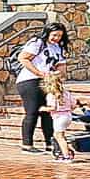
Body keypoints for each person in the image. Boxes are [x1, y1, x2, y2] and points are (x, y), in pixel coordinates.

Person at [16, 22, 69, 153]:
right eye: (54, 35)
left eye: (60, 36)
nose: (56, 38)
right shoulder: (37, 43)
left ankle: (50, 143)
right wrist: (39, 73)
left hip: (48, 82)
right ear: (48, 33)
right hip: (30, 80)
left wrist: (58, 75)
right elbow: (23, 58)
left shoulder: (58, 47)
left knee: (48, 112)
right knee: (32, 111)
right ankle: (27, 144)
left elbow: (61, 66)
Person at [44, 69, 79, 161]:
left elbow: (53, 107)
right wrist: (68, 109)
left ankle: (66, 156)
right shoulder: (66, 93)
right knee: (57, 135)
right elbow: (74, 105)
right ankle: (67, 150)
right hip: (68, 116)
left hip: (59, 118)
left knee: (60, 137)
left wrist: (43, 109)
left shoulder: (51, 95)